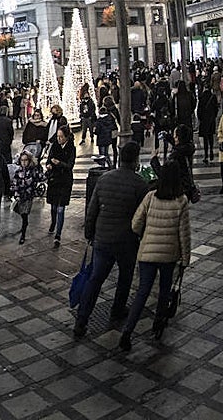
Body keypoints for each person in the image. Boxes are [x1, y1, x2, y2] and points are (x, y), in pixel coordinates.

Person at [74, 142, 150, 338]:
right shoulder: (140, 184)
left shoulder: (105, 179)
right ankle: (117, 309)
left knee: (95, 279)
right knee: (125, 277)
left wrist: (89, 234)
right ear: (135, 161)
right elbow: (142, 217)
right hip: (127, 241)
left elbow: (92, 211)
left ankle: (81, 320)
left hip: (103, 239)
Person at [119, 162, 191, 350]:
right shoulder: (181, 201)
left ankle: (127, 332)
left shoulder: (151, 197)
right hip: (169, 255)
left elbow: (135, 223)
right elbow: (184, 234)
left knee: (142, 292)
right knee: (164, 291)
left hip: (147, 253)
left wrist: (145, 236)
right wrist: (185, 259)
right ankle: (158, 325)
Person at [43, 122, 77, 249]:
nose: (59, 139)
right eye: (57, 136)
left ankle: (58, 235)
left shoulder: (71, 148)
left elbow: (70, 165)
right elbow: (48, 159)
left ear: (67, 137)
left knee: (61, 209)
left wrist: (59, 163)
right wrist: (48, 165)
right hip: (54, 180)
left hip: (65, 180)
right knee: (53, 207)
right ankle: (53, 222)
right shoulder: (55, 146)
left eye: (61, 137)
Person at [11, 151, 45, 244]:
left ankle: (23, 234)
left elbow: (42, 178)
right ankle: (24, 225)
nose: (24, 162)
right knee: (21, 212)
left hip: (28, 196)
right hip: (20, 195)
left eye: (26, 160)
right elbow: (15, 183)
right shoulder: (18, 171)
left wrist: (40, 169)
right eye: (22, 160)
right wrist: (16, 194)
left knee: (25, 213)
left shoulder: (33, 171)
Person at [197, 83, 219, 163]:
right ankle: (211, 150)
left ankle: (206, 155)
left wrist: (200, 118)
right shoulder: (213, 97)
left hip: (204, 120)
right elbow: (216, 108)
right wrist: (213, 116)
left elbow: (199, 110)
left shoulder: (201, 97)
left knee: (205, 139)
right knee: (211, 137)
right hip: (211, 119)